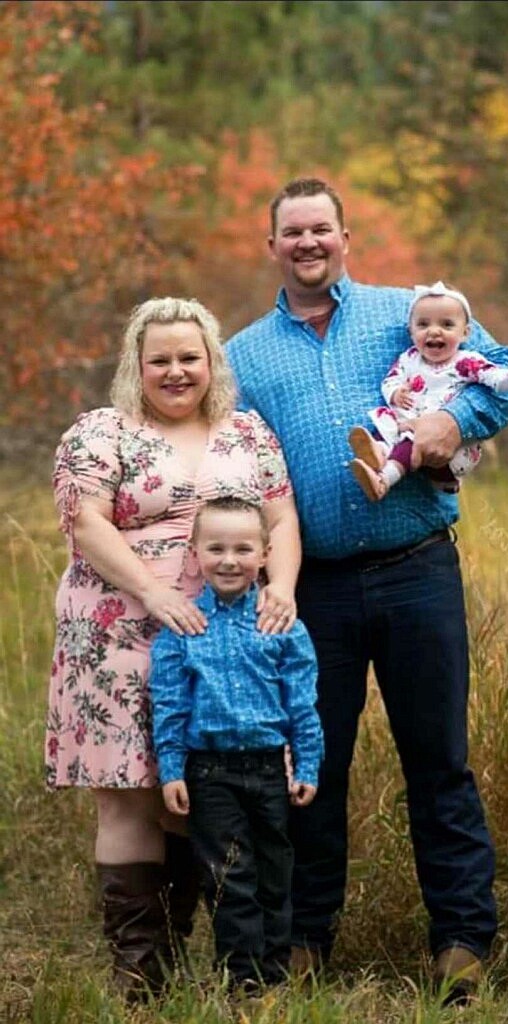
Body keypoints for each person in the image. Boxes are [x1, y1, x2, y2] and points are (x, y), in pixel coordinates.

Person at [225, 177, 508, 1003]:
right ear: (272, 247)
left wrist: (454, 422)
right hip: (309, 590)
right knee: (311, 767)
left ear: (345, 237)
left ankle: (462, 940)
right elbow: (233, 468)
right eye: (292, 233)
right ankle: (304, 939)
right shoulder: (244, 356)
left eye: (320, 229)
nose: (308, 243)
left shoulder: (412, 309)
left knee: (438, 760)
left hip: (416, 572)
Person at [45, 297, 302, 1001]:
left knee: (205, 792)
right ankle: (142, 978)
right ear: (137, 364)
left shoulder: (246, 432)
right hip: (120, 632)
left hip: (226, 648)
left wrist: (279, 590)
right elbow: (85, 522)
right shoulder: (102, 431)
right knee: (129, 797)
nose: (176, 370)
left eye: (189, 356)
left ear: (212, 361)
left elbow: (280, 517)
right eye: (159, 358)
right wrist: (154, 595)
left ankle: (212, 958)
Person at [149, 496, 323, 992]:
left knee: (273, 872)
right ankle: (241, 980)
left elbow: (302, 705)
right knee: (230, 878)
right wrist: (172, 770)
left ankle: (275, 974)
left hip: (270, 769)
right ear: (196, 553)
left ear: (266, 554)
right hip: (210, 773)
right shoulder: (182, 628)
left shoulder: (283, 624)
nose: (230, 560)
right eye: (217, 548)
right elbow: (169, 706)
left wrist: (307, 765)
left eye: (244, 548)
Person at [348, 280, 508, 500]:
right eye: (423, 325)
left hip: (446, 454)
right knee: (385, 424)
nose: (434, 331)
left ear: (465, 333)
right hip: (410, 419)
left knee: (412, 439)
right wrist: (395, 393)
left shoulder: (466, 361)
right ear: (411, 331)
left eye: (447, 325)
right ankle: (379, 453)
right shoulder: (410, 359)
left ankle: (383, 480)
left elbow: (493, 378)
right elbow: (391, 380)